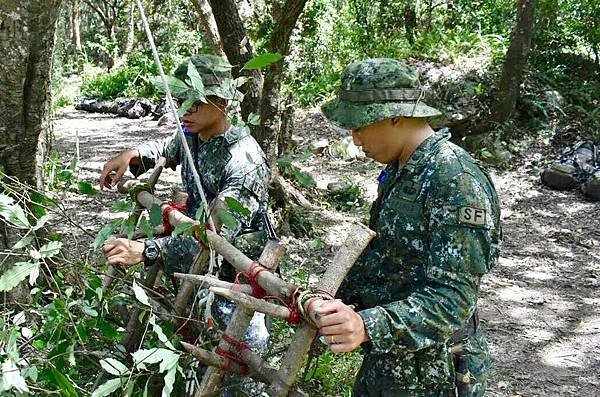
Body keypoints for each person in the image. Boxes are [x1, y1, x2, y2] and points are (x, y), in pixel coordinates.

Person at [315, 58, 502, 397]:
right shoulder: (404, 169)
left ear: (396, 117)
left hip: (436, 375)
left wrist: (367, 325)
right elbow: (391, 262)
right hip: (392, 362)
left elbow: (453, 299)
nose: (355, 140)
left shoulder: (454, 180)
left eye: (359, 127)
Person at [99, 54, 271, 396]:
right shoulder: (193, 134)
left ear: (221, 103)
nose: (183, 112)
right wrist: (132, 155)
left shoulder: (244, 162)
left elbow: (217, 239)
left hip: (232, 282)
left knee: (237, 368)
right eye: (179, 101)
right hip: (194, 273)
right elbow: (167, 146)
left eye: (193, 103)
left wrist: (148, 249)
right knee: (192, 347)